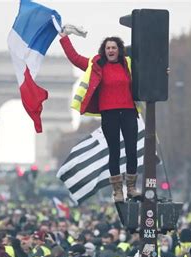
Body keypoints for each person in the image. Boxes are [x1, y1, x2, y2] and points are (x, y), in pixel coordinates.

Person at [59, 30, 141, 202]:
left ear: (119, 49)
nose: (110, 50)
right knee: (114, 152)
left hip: (128, 111)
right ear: (104, 51)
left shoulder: (128, 63)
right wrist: (64, 38)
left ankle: (132, 188)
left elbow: (148, 73)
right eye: (107, 48)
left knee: (132, 150)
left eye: (113, 47)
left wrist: (165, 72)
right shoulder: (95, 64)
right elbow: (74, 58)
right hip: (109, 113)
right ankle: (118, 191)